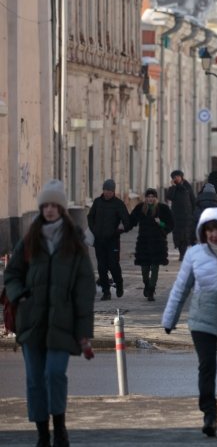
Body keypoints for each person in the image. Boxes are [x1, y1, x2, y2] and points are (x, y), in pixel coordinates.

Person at [3, 179, 96, 447]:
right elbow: (12, 274)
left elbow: (85, 288)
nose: (50, 210)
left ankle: (60, 427)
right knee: (34, 380)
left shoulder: (74, 242)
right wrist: (19, 294)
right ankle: (42, 433)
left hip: (62, 323)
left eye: (55, 205)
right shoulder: (31, 238)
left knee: (54, 374)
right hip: (32, 322)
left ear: (62, 208)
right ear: (42, 207)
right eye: (46, 205)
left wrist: (84, 333)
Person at [162, 207, 217, 437]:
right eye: (209, 229)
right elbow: (181, 287)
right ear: (203, 232)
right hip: (203, 318)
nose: (214, 234)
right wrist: (169, 318)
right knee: (206, 366)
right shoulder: (194, 254)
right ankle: (209, 415)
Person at [87, 178, 129, 300]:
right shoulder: (97, 202)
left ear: (113, 191)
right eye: (105, 190)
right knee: (101, 266)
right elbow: (90, 217)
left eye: (109, 190)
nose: (107, 193)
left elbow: (126, 221)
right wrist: (94, 229)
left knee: (113, 265)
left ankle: (119, 284)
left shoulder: (118, 204)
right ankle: (106, 292)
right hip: (99, 241)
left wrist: (118, 231)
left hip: (113, 241)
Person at [129, 188, 174, 301]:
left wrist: (161, 223)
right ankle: (147, 284)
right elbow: (131, 220)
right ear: (146, 198)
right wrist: (121, 225)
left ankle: (151, 290)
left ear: (155, 198)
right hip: (144, 242)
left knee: (155, 267)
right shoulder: (140, 208)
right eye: (148, 196)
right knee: (144, 269)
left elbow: (171, 224)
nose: (150, 199)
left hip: (157, 242)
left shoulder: (162, 209)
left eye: (152, 196)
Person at [166, 170, 197, 260]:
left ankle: (185, 253)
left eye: (177, 176)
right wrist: (172, 186)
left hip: (187, 215)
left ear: (181, 177)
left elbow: (193, 199)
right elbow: (169, 197)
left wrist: (195, 212)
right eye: (174, 177)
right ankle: (181, 253)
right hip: (176, 215)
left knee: (186, 235)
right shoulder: (173, 188)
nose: (176, 178)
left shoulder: (187, 187)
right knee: (178, 235)